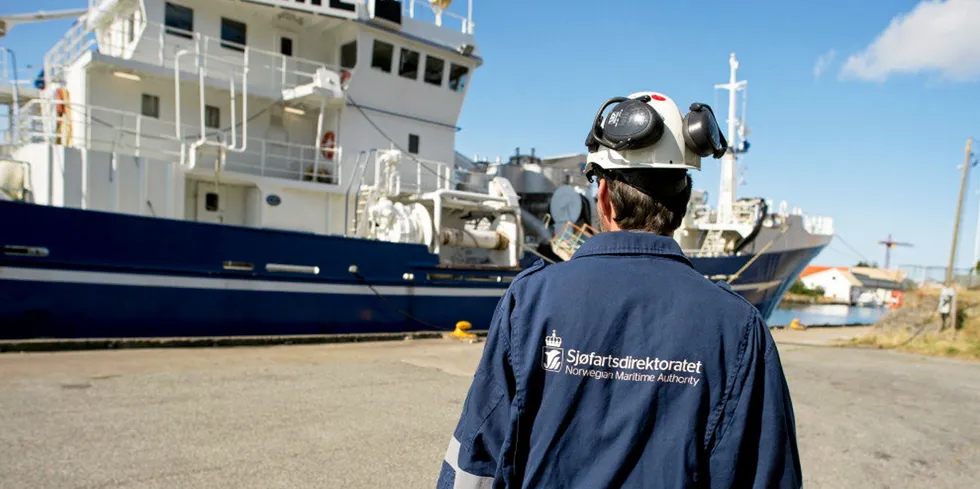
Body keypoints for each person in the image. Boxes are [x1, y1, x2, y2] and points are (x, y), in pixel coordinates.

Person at [436, 92, 803, 489]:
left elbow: (475, 461)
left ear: (605, 197)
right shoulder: (740, 329)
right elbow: (767, 474)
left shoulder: (529, 302)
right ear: (681, 205)